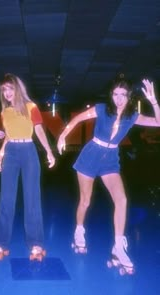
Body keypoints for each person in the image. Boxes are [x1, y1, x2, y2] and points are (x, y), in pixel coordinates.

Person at [57, 78, 160, 274]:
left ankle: (118, 246)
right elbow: (78, 118)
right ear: (111, 95)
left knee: (122, 200)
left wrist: (154, 101)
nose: (119, 99)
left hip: (111, 159)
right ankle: (79, 232)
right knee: (85, 201)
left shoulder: (133, 116)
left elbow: (158, 122)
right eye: (116, 94)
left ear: (129, 97)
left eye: (123, 95)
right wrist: (63, 135)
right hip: (91, 155)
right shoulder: (102, 109)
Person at [0, 73, 55, 261]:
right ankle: (0, 242)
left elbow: (39, 130)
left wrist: (49, 152)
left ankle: (35, 243)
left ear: (17, 88)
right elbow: (9, 135)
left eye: (10, 88)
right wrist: (0, 154)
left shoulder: (31, 107)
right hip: (11, 152)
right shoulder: (5, 112)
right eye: (4, 89)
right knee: (6, 199)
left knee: (32, 199)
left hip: (28, 151)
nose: (7, 93)